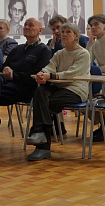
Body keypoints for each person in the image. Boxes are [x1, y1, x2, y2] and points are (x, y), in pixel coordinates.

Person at [0, 18, 52, 155]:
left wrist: (14, 75)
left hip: (26, 88)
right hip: (9, 85)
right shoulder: (17, 49)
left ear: (40, 30)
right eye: (25, 25)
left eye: (31, 25)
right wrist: (6, 70)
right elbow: (2, 68)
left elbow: (37, 76)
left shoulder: (44, 50)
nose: (26, 27)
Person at [25, 23, 91, 161]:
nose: (64, 34)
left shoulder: (83, 54)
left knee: (43, 104)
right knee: (40, 92)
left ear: (76, 36)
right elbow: (50, 66)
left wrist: (50, 76)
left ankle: (40, 140)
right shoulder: (60, 53)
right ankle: (40, 134)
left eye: (68, 32)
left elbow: (72, 74)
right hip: (59, 87)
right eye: (63, 32)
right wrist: (42, 73)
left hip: (76, 90)